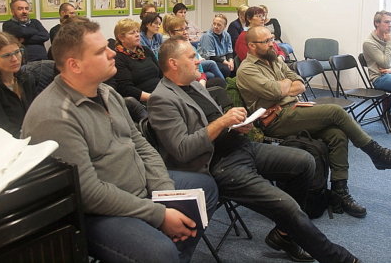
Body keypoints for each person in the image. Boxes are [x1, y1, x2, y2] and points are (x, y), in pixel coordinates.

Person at [21, 18, 218, 263]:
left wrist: (165, 193)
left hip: (138, 186)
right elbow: (89, 193)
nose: (112, 52)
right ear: (74, 65)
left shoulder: (107, 92)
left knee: (206, 188)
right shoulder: (54, 116)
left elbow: (141, 145)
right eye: (101, 51)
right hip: (98, 212)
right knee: (159, 252)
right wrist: (159, 213)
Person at [148, 37, 360, 263]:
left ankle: (285, 234)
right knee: (288, 207)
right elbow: (182, 149)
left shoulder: (192, 85)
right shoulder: (162, 99)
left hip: (240, 146)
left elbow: (213, 122)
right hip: (219, 164)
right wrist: (222, 122)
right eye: (191, 57)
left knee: (306, 161)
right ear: (173, 63)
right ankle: (339, 258)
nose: (198, 60)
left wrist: (236, 125)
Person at [237, 26, 391, 218]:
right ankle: (377, 153)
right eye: (266, 41)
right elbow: (276, 91)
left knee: (337, 134)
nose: (272, 44)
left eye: (272, 39)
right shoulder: (247, 70)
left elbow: (299, 83)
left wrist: (285, 86)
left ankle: (340, 192)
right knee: (335, 111)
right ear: (252, 46)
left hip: (293, 109)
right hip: (275, 120)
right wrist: (285, 85)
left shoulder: (273, 59)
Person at [163, 15, 226, 86]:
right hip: (181, 84)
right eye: (181, 30)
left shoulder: (191, 47)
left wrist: (202, 81)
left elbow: (200, 70)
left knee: (216, 79)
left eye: (186, 28)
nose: (185, 32)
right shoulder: (166, 51)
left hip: (194, 80)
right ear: (171, 33)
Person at [113, 18, 162, 102]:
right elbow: (126, 89)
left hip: (161, 91)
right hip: (145, 99)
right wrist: (153, 98)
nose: (137, 35)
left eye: (137, 31)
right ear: (121, 38)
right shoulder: (118, 58)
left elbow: (161, 73)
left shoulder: (145, 50)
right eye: (132, 33)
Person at [198, 14, 235, 78]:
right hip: (209, 61)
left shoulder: (227, 35)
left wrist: (231, 61)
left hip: (221, 59)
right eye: (214, 24)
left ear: (225, 26)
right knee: (225, 69)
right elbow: (211, 56)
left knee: (235, 67)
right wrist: (227, 63)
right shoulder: (207, 36)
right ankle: (223, 83)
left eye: (219, 25)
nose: (215, 26)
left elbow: (229, 52)